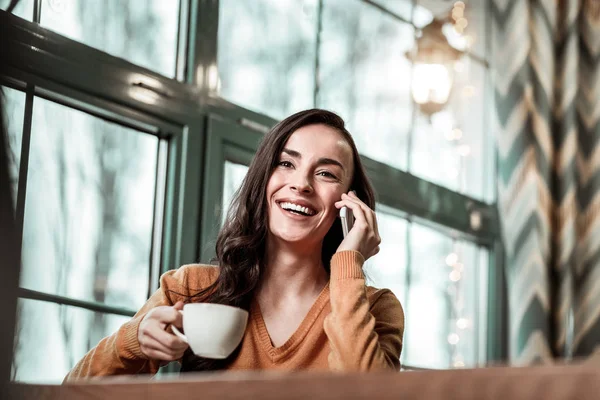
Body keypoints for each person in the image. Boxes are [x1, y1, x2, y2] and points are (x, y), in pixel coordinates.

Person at [64, 109, 404, 380]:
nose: (300, 184)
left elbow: (369, 392)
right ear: (263, 177)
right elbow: (73, 391)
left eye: (326, 173)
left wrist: (348, 260)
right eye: (286, 163)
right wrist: (134, 342)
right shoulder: (190, 289)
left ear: (349, 204)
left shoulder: (377, 309)